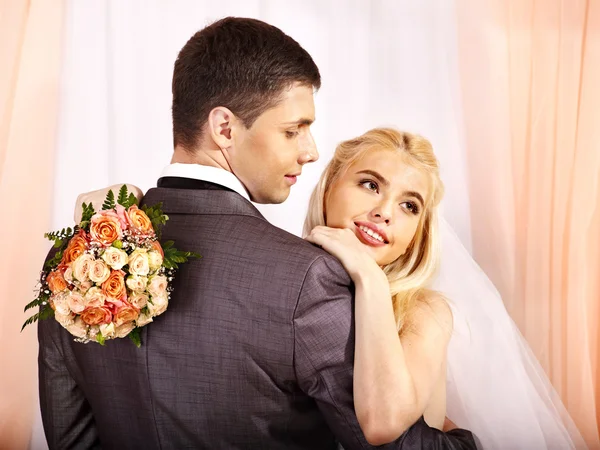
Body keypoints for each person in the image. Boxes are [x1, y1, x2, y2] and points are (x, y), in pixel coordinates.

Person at [39, 17, 477, 449]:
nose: (311, 152)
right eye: (293, 130)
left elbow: (70, 435)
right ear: (225, 128)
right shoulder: (309, 278)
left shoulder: (78, 257)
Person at [304, 128, 587, 450]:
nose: (383, 212)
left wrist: (370, 277)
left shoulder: (425, 312)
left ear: (417, 235)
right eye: (371, 185)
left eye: (409, 206)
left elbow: (383, 424)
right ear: (329, 185)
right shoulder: (284, 279)